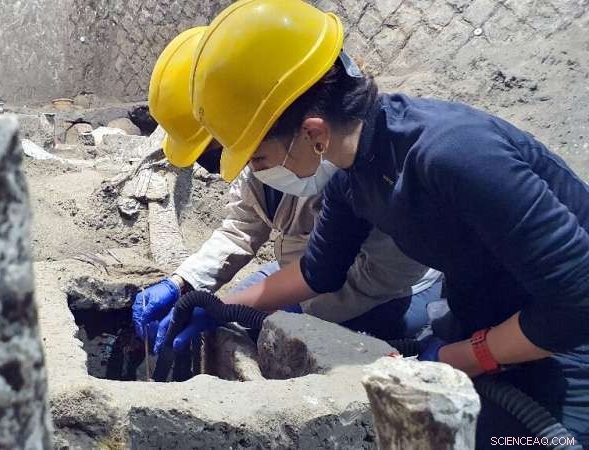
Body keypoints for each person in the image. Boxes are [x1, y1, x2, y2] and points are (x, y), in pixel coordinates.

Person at [179, 0, 589, 446]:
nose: (258, 171)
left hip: (565, 339)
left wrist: (462, 357)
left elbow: (576, 304)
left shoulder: (453, 154)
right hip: (487, 313)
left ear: (314, 134)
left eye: (259, 156)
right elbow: (318, 273)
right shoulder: (355, 178)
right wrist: (218, 307)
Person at [133, 26, 442, 355]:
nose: (238, 166)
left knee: (268, 342)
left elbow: (378, 277)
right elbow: (243, 227)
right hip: (304, 272)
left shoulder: (371, 170)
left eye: (220, 152)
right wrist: (185, 281)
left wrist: (290, 310)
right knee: (235, 323)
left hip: (382, 294)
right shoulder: (267, 151)